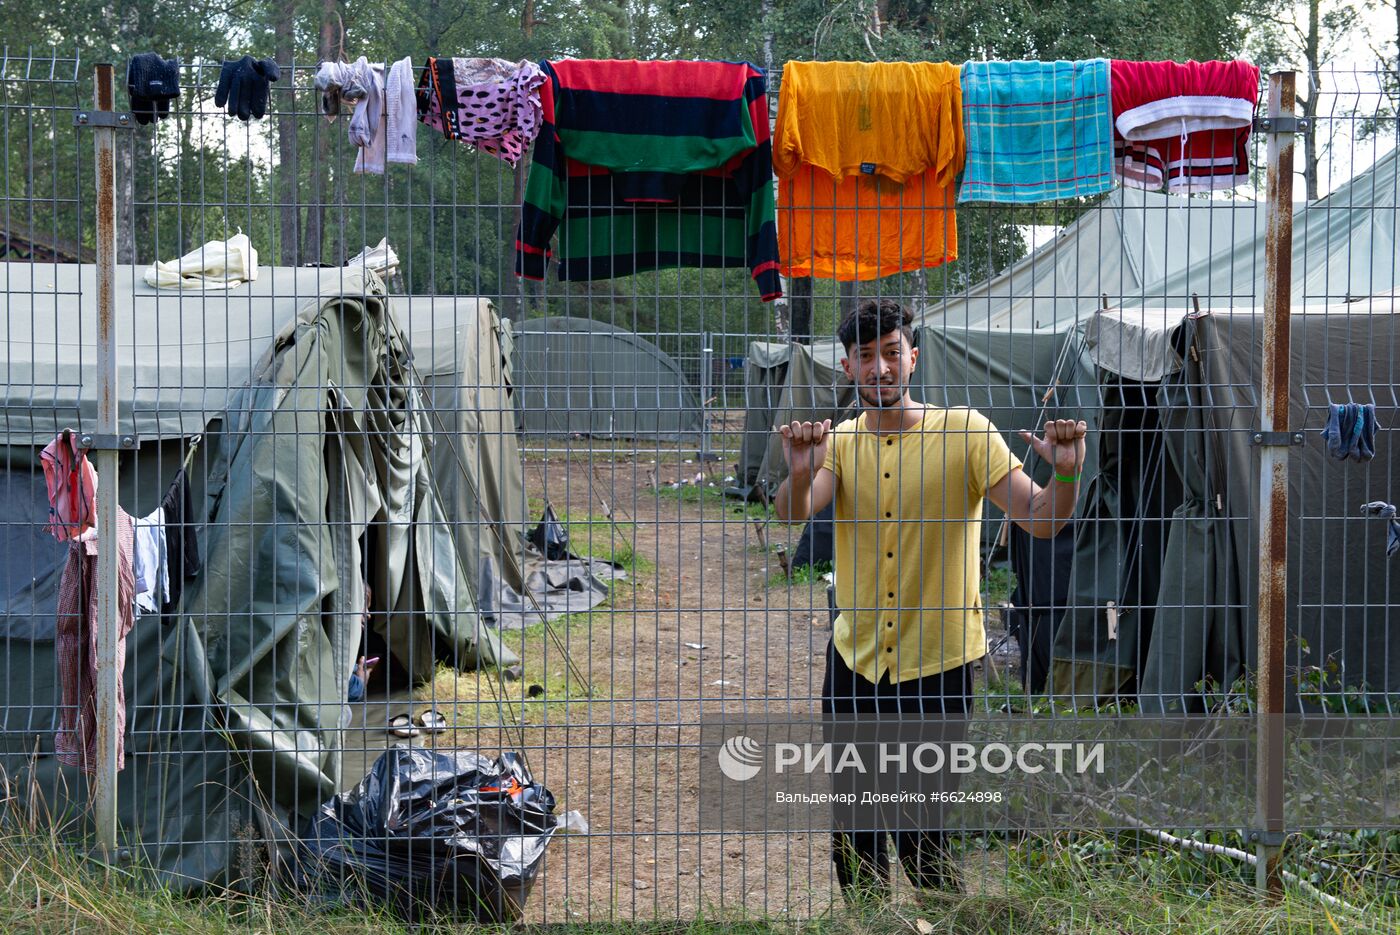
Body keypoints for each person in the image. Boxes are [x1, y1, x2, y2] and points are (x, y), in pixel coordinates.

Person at [773, 299, 1088, 901]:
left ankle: (941, 917)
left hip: (937, 666)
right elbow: (794, 510)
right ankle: (872, 919)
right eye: (865, 357)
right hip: (854, 662)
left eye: (891, 352)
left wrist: (1067, 475)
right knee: (856, 826)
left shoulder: (966, 432)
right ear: (847, 368)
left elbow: (1041, 520)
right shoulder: (839, 443)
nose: (879, 368)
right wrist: (796, 468)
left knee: (923, 833)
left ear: (913, 357)